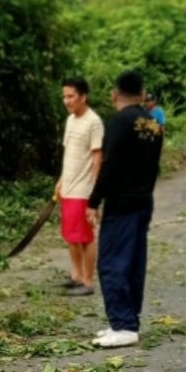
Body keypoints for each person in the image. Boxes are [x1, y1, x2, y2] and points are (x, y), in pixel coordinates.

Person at [86, 69, 164, 348]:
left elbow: (110, 165)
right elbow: (154, 167)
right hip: (143, 200)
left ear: (114, 94)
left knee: (112, 262)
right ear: (142, 94)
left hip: (121, 204)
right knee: (133, 262)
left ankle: (123, 325)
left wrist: (94, 201)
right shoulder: (153, 123)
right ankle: (128, 320)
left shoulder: (120, 121)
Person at [55, 78, 104, 296]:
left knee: (85, 237)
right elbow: (69, 154)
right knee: (70, 235)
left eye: (71, 96)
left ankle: (88, 281)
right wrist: (61, 180)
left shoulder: (94, 122)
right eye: (64, 96)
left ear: (83, 96)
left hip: (83, 189)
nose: (67, 101)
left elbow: (97, 157)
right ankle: (76, 276)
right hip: (68, 186)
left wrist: (94, 192)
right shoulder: (70, 120)